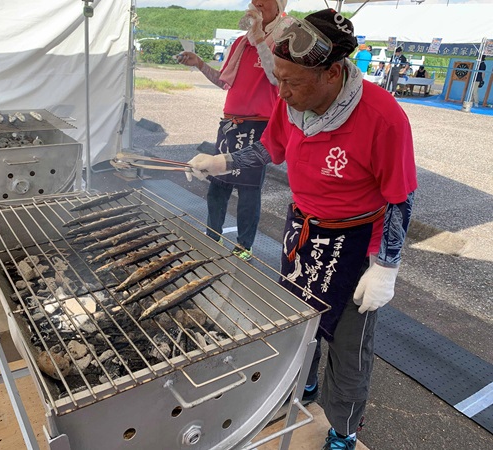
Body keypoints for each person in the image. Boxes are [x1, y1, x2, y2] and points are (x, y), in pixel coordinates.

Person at [186, 9, 417, 450]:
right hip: (305, 231)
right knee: (297, 323)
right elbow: (270, 148)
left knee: (349, 347)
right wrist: (222, 162)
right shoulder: (292, 101)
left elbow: (400, 199)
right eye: (279, 79)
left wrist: (386, 267)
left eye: (292, 82)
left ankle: (344, 431)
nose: (283, 92)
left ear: (333, 73)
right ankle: (299, 390)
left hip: (355, 245)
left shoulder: (382, 117)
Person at [177, 0, 286, 261]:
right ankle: (211, 237)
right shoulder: (240, 43)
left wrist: (260, 35)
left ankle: (244, 246)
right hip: (230, 124)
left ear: (280, 5)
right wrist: (200, 63)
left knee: (248, 190)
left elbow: (276, 77)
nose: (257, 3)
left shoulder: (282, 39)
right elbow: (224, 81)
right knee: (219, 185)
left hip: (258, 124)